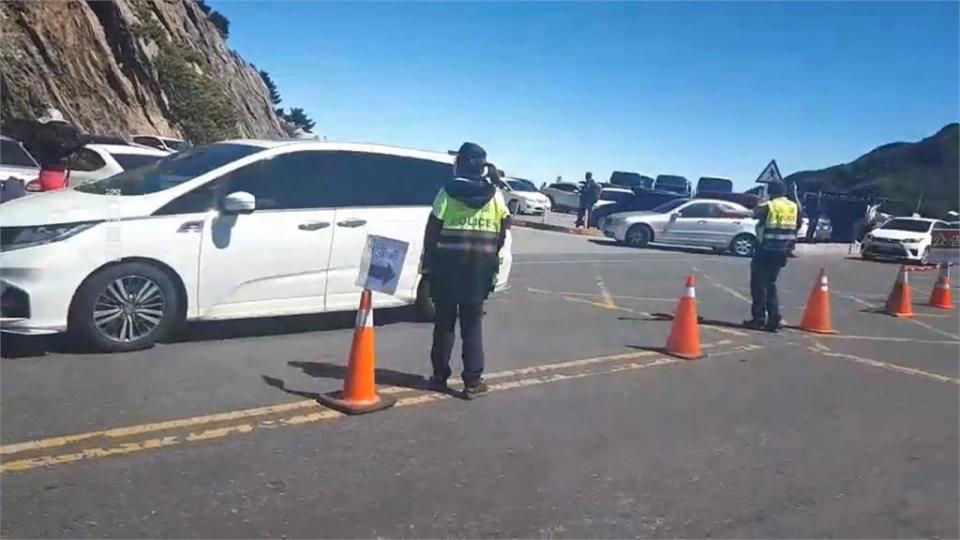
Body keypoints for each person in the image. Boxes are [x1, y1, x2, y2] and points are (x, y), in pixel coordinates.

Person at [420, 142, 510, 398]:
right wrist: (490, 258)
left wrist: (428, 264)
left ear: (460, 163)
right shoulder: (495, 195)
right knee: (472, 326)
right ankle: (472, 381)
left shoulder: (447, 192)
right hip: (479, 271)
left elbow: (432, 231)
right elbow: (503, 231)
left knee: (444, 324)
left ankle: (439, 377)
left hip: (447, 269)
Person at [744, 181, 800, 332]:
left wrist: (761, 200)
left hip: (765, 250)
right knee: (770, 284)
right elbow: (798, 224)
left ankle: (759, 319)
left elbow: (754, 214)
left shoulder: (770, 205)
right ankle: (774, 317)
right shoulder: (793, 206)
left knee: (758, 285)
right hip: (782, 250)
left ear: (770, 191)